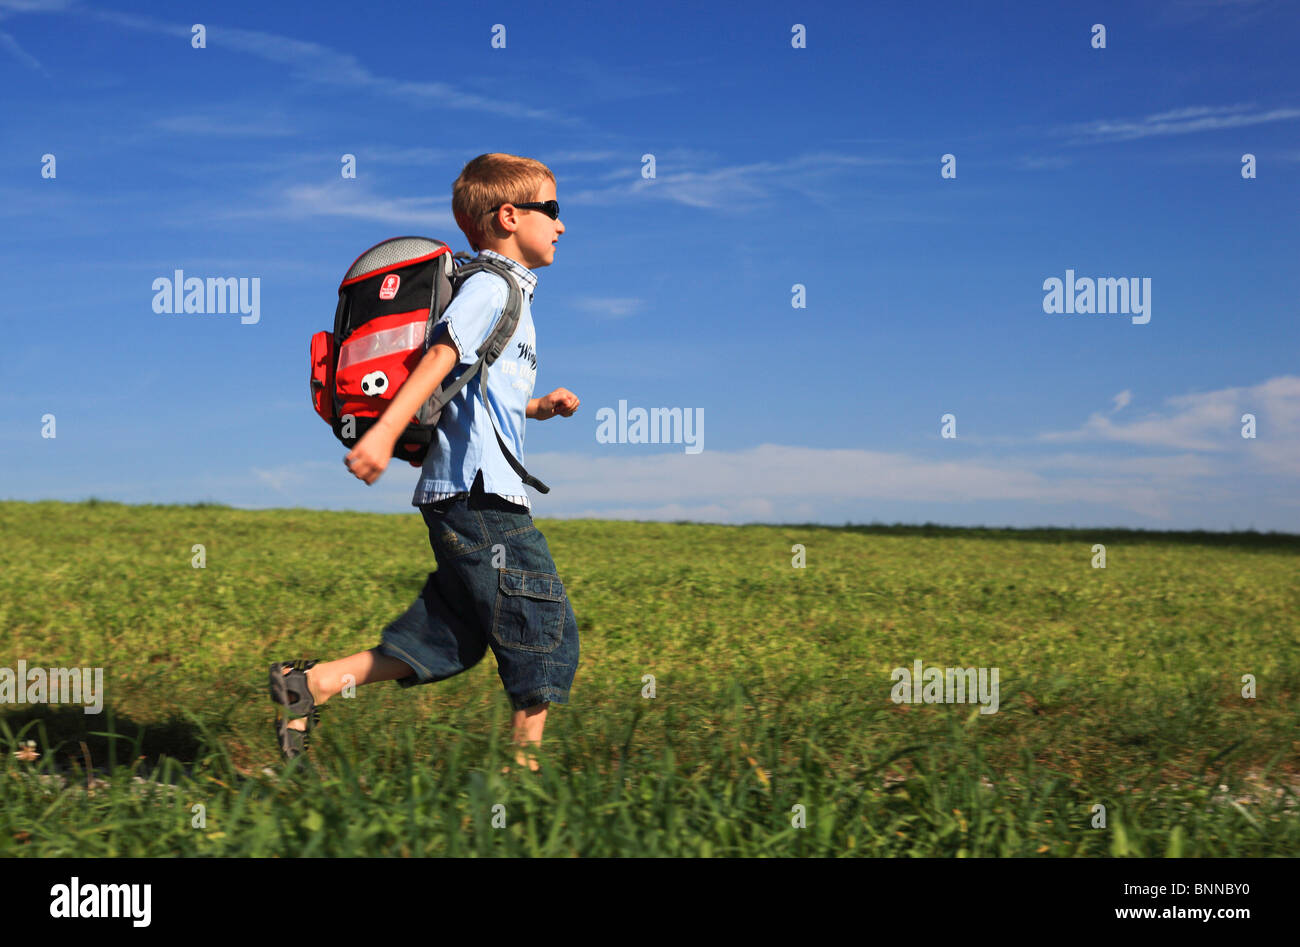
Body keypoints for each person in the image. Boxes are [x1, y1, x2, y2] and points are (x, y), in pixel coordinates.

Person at [270, 153, 580, 774]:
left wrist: (539, 406)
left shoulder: (508, 293)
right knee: (541, 622)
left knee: (456, 634)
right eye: (552, 210)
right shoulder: (491, 286)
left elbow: (481, 389)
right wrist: (384, 434)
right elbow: (439, 359)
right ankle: (525, 778)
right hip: (479, 495)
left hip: (465, 494)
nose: (562, 225)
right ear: (509, 216)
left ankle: (315, 684)